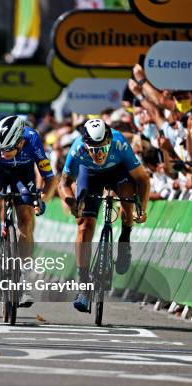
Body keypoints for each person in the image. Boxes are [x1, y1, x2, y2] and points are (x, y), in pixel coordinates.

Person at [58, 118, 150, 312]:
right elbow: (63, 184)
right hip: (89, 175)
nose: (98, 154)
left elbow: (143, 179)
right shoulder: (77, 149)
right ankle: (84, 286)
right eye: (93, 149)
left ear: (109, 142)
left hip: (117, 172)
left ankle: (125, 237)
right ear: (85, 145)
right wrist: (71, 202)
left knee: (127, 195)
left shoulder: (119, 142)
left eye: (102, 148)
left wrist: (141, 208)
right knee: (84, 225)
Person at [0, 115, 55, 307]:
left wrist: (43, 200)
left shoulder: (33, 139)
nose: (3, 152)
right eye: (1, 148)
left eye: (8, 149)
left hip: (23, 175)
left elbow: (50, 179)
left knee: (26, 221)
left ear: (21, 141)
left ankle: (24, 283)